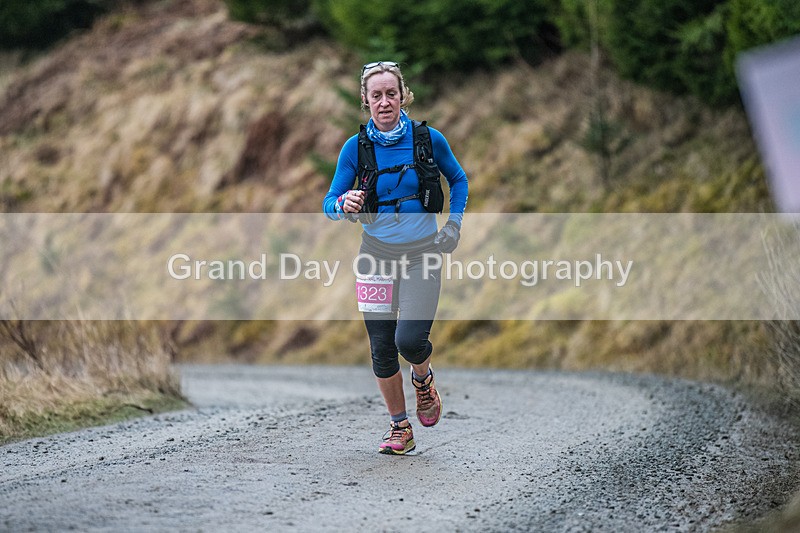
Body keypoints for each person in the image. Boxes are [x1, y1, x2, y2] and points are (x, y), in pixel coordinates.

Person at [322, 61, 468, 455]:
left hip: (423, 254)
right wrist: (343, 203)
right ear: (365, 100)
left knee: (410, 340)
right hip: (375, 256)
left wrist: (453, 225)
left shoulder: (428, 139)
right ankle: (400, 427)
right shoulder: (355, 149)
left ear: (403, 96)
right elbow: (329, 202)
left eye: (391, 93)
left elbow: (458, 179)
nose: (384, 102)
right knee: (382, 347)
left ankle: (423, 379)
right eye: (376, 95)